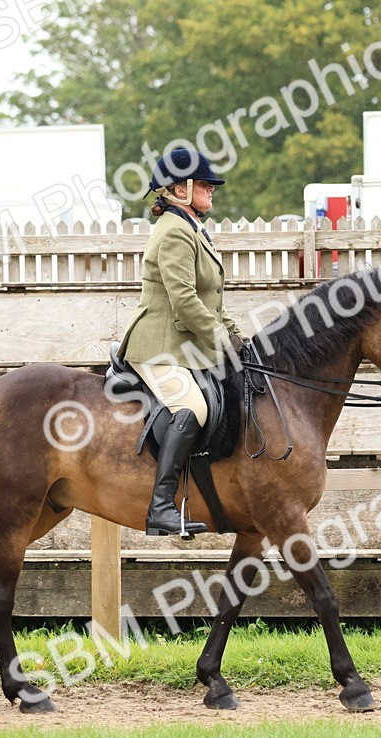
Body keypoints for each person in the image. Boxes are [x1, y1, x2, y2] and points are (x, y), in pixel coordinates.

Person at [119, 148, 245, 537]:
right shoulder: (173, 231)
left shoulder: (193, 229)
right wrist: (220, 339)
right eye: (205, 185)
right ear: (180, 189)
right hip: (157, 345)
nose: (212, 191)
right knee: (193, 406)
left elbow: (211, 299)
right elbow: (185, 300)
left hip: (184, 346)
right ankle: (160, 508)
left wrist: (238, 338)